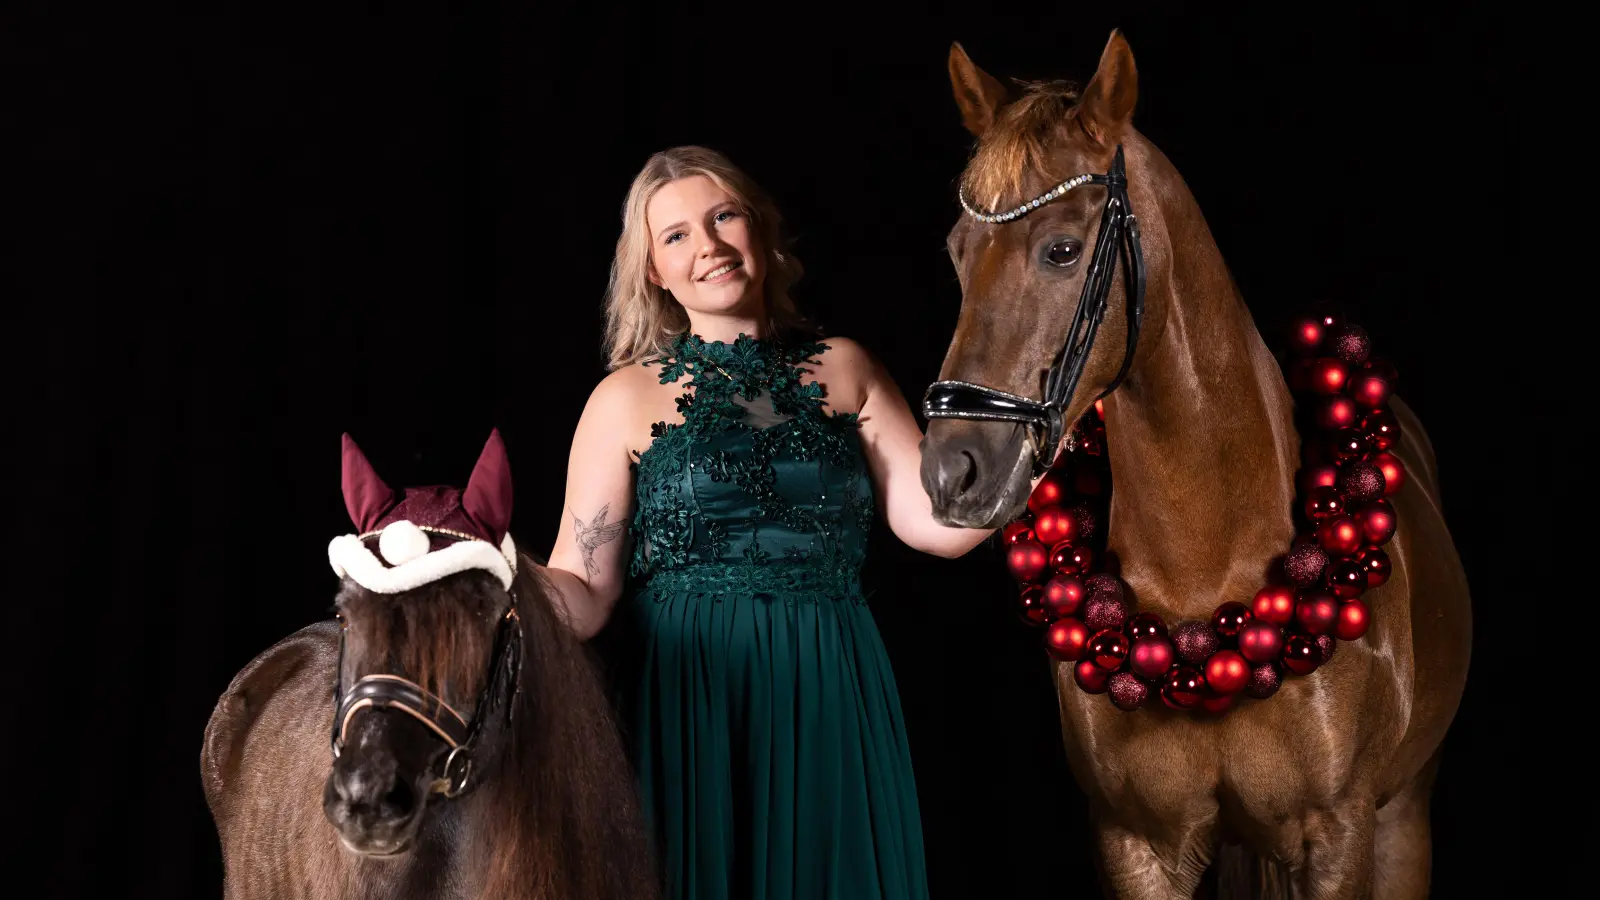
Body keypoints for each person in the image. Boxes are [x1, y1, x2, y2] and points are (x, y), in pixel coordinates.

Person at [537, 145, 993, 900]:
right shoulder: (622, 399)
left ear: (760, 229)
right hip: (691, 695)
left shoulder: (845, 367)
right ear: (651, 270)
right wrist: (487, 580)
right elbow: (584, 586)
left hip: (830, 677)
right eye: (675, 235)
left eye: (724, 217)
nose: (708, 246)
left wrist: (1044, 446)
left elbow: (938, 525)